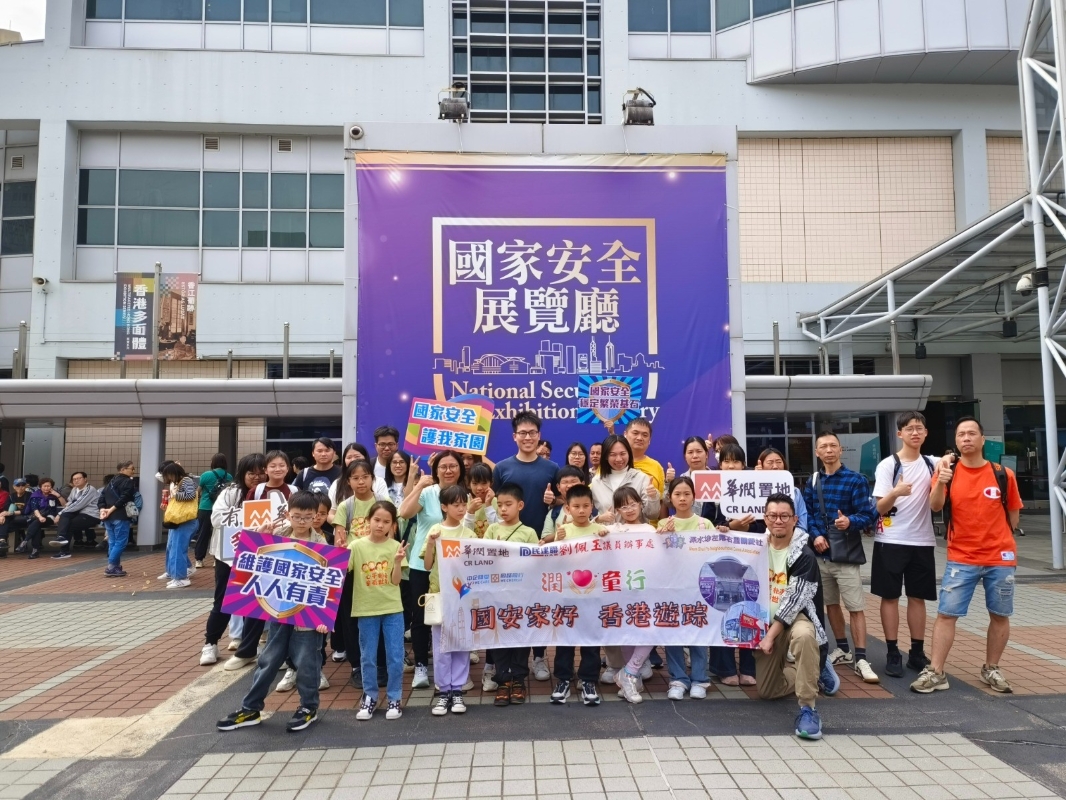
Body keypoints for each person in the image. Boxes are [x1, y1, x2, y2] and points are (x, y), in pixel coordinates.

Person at [912, 416, 1023, 695]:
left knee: (1000, 614)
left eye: (972, 433)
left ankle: (991, 668)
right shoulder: (948, 472)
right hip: (961, 557)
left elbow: (1013, 515)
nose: (966, 438)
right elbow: (935, 506)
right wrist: (941, 482)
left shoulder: (1003, 474)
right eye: (961, 434)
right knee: (947, 614)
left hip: (1000, 558)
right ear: (956, 441)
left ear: (982, 439)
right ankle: (936, 671)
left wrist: (1002, 542)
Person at [216, 491, 332, 733]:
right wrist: (261, 536)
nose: (302, 521)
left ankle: (308, 707)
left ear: (316, 517)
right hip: (278, 612)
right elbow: (250, 556)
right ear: (287, 514)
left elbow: (328, 584)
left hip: (307, 619)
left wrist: (323, 617)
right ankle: (250, 708)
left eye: (307, 517)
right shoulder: (277, 535)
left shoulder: (322, 545)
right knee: (268, 661)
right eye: (297, 516)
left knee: (307, 663)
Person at [755, 493, 839, 741]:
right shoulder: (755, 547)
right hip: (765, 619)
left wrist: (769, 637)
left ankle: (808, 708)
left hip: (795, 618)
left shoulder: (804, 554)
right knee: (767, 691)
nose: (778, 520)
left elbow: (793, 603)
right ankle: (809, 669)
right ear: (765, 518)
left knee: (804, 635)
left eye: (784, 516)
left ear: (794, 520)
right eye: (773, 515)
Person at [802, 431, 879, 684]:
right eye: (823, 447)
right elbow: (808, 514)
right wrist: (815, 536)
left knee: (855, 606)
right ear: (817, 452)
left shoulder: (856, 480)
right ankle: (843, 649)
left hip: (845, 555)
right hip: (821, 555)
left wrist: (850, 521)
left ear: (840, 449)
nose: (828, 450)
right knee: (831, 604)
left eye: (833, 446)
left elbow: (868, 515)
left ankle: (861, 657)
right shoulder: (813, 481)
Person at [491, 411, 559, 682]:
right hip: (508, 550)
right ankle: (499, 662)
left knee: (536, 602)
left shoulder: (552, 468)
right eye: (523, 433)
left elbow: (563, 504)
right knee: (506, 603)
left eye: (532, 433)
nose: (528, 437)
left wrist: (554, 501)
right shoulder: (502, 468)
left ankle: (539, 656)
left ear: (539, 436)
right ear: (514, 436)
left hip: (540, 545)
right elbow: (496, 503)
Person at [872, 412, 940, 678]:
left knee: (917, 597)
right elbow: (880, 507)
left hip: (922, 541)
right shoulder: (888, 465)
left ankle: (916, 652)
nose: (915, 433)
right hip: (890, 541)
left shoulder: (932, 463)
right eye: (909, 429)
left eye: (919, 428)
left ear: (926, 433)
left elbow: (952, 461)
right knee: (890, 597)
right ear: (899, 433)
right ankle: (892, 652)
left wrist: (948, 459)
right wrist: (896, 492)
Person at [398, 450, 467, 690]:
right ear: (435, 470)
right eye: (443, 466)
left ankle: (454, 669)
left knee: (455, 616)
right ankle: (420, 665)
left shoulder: (465, 495)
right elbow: (404, 513)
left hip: (456, 567)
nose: (448, 470)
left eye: (453, 466)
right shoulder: (428, 492)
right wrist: (419, 485)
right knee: (422, 617)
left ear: (460, 469)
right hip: (423, 565)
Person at [200, 453, 267, 667]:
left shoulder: (270, 493)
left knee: (253, 601)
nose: (256, 477)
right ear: (242, 473)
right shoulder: (231, 492)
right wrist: (251, 516)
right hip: (229, 555)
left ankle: (249, 646)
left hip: (260, 555)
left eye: (261, 473)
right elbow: (216, 518)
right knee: (223, 600)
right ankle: (210, 643)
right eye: (251, 473)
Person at [547, 484, 608, 707]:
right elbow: (552, 561)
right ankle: (563, 679)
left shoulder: (601, 530)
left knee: (591, 640)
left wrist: (606, 538)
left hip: (593, 596)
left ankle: (589, 680)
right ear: (568, 508)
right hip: (567, 597)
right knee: (565, 640)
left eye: (585, 506)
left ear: (592, 507)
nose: (581, 510)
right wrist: (557, 541)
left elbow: (611, 559)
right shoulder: (563, 531)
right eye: (576, 506)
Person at [421, 484, 477, 716]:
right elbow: (427, 565)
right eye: (456, 505)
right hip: (441, 596)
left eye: (464, 504)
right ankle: (444, 691)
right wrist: (431, 544)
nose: (461, 508)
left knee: (462, 644)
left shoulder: (469, 534)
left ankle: (458, 690)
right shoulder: (435, 530)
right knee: (441, 645)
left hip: (463, 597)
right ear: (444, 507)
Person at [658, 476, 714, 700]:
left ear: (694, 497)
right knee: (673, 633)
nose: (682, 498)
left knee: (698, 632)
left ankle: (700, 679)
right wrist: (662, 537)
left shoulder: (704, 524)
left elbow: (715, 552)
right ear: (670, 498)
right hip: (672, 587)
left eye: (686, 494)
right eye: (677, 494)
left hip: (698, 588)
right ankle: (678, 679)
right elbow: (657, 556)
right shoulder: (663, 524)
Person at [484, 483, 540, 707]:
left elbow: (535, 564)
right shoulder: (491, 530)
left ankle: (518, 680)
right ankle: (503, 680)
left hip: (521, 595)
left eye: (508, 504)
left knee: (520, 636)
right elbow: (482, 560)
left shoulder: (529, 532)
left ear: (520, 505)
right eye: (499, 505)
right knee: (498, 637)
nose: (503, 509)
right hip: (496, 595)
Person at [351, 501, 407, 721]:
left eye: (386, 522)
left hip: (392, 609)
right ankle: (369, 697)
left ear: (393, 525)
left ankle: (395, 697)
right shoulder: (356, 546)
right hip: (366, 609)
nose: (380, 525)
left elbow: (396, 582)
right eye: (376, 520)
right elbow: (341, 570)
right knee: (368, 657)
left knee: (395, 656)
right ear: (368, 520)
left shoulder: (395, 546)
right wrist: (338, 551)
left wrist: (397, 562)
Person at [332, 458, 389, 674]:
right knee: (351, 617)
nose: (361, 481)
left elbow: (391, 536)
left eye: (365, 477)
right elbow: (339, 541)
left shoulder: (383, 503)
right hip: (353, 570)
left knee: (381, 616)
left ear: (373, 479)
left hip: (379, 568)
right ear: (348, 481)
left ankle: (381, 663)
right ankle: (357, 665)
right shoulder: (345, 507)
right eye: (355, 478)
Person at [602, 486, 658, 701]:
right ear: (617, 510)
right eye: (624, 506)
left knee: (651, 631)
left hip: (646, 590)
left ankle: (629, 672)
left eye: (633, 504)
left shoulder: (650, 530)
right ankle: (632, 679)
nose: (630, 509)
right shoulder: (612, 530)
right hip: (620, 591)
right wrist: (599, 524)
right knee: (626, 633)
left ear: (641, 504)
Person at [591, 435, 660, 524]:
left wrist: (653, 497)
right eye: (613, 455)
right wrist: (598, 519)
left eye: (623, 454)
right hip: (607, 532)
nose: (619, 459)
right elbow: (585, 511)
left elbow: (652, 515)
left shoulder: (641, 478)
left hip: (635, 532)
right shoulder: (597, 481)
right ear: (606, 456)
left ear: (629, 454)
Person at [161, 462, 200, 589]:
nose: (168, 478)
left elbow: (191, 495)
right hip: (182, 521)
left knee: (177, 549)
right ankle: (177, 576)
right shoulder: (182, 482)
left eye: (169, 475)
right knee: (174, 548)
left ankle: (181, 578)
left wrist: (174, 495)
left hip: (185, 521)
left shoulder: (186, 481)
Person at [98, 461, 137, 577]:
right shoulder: (128, 481)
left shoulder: (111, 482)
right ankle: (111, 566)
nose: (133, 471)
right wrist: (111, 509)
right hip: (120, 515)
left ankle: (115, 566)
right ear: (123, 469)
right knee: (120, 542)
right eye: (131, 468)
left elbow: (101, 498)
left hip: (108, 517)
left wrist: (103, 510)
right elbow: (125, 498)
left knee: (113, 542)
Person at [756, 448, 809, 531]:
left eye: (779, 462)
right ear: (761, 466)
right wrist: (755, 479)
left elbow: (802, 521)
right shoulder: (753, 491)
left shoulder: (795, 491)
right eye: (770, 462)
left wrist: (795, 536)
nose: (775, 466)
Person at [51, 472, 100, 559]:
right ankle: (61, 537)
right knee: (65, 516)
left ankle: (64, 551)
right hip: (78, 513)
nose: (76, 480)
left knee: (68, 525)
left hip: (91, 515)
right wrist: (63, 512)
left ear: (85, 479)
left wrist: (59, 514)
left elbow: (78, 504)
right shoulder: (74, 489)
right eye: (74, 479)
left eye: (79, 478)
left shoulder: (90, 489)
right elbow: (70, 503)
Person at [194, 453, 231, 567]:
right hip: (222, 508)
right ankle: (217, 559)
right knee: (219, 534)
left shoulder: (206, 475)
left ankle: (199, 560)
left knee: (203, 534)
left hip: (206, 507)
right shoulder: (229, 476)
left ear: (213, 462)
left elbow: (198, 491)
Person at [19, 477, 62, 559]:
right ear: (40, 487)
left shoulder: (54, 495)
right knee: (37, 524)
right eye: (44, 486)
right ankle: (35, 550)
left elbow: (65, 505)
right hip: (38, 516)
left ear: (51, 487)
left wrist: (58, 495)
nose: (46, 488)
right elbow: (34, 508)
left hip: (50, 517)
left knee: (36, 523)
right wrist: (40, 517)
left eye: (48, 486)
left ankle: (25, 541)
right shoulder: (35, 495)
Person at [625, 418, 665, 495]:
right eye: (635, 433)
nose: (639, 438)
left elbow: (661, 499)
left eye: (645, 435)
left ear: (649, 440)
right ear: (625, 434)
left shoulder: (656, 466)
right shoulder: (614, 462)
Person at [465, 462, 498, 538]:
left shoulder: (498, 503)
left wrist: (489, 505)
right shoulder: (464, 502)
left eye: (484, 483)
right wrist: (470, 511)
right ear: (469, 484)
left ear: (491, 483)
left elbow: (498, 530)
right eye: (475, 483)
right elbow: (464, 533)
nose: (479, 488)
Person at [0, 478, 30, 549]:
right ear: (14, 487)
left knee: (5, 523)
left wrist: (10, 513)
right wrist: (2, 515)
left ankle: (2, 540)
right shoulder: (11, 496)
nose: (20, 487)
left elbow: (26, 510)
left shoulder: (30, 495)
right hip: (13, 519)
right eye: (18, 485)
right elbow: (6, 508)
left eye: (23, 485)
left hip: (26, 518)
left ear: (26, 486)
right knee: (3, 520)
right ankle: (2, 542)